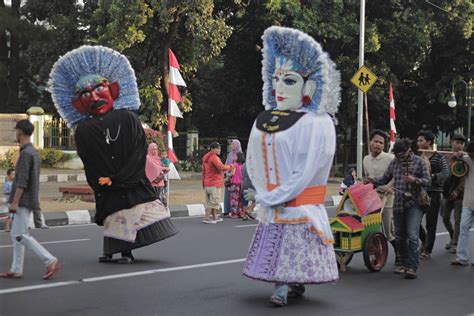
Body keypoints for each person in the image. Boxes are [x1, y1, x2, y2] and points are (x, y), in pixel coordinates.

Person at [49, 45, 178, 264]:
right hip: (106, 185)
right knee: (113, 217)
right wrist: (102, 180)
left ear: (113, 90)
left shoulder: (127, 118)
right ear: (79, 103)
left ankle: (126, 252)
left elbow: (139, 149)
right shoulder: (84, 130)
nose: (93, 97)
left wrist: (121, 177)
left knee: (130, 215)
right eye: (85, 94)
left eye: (99, 88)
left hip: (130, 181)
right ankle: (109, 252)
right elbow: (88, 159)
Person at [242, 26, 340, 306]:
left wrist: (272, 196)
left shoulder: (317, 123)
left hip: (298, 202)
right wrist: (259, 189)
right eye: (276, 80)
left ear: (309, 87)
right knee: (283, 248)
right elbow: (254, 159)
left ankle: (283, 289)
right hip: (276, 201)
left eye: (289, 81)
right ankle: (290, 285)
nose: (278, 89)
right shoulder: (266, 118)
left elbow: (306, 170)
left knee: (291, 248)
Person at [0, 120, 61, 279]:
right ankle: (16, 268)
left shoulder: (26, 153)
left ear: (20, 132)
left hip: (22, 200)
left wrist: (14, 201)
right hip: (27, 199)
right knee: (17, 234)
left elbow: (22, 181)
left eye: (16, 131)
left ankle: (49, 260)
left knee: (20, 235)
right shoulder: (31, 151)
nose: (16, 134)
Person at [367, 138, 431, 279]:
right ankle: (403, 264)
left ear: (408, 150)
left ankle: (412, 267)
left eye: (401, 154)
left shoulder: (420, 162)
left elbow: (428, 181)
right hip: (399, 203)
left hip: (415, 202)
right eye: (397, 155)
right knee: (400, 236)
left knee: (412, 235)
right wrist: (372, 180)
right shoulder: (394, 163)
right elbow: (384, 179)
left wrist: (415, 180)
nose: (399, 157)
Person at [363, 129, 398, 265]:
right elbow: (367, 177)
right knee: (369, 227)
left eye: (381, 143)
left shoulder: (390, 158)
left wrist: (390, 187)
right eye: (376, 141)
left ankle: (399, 253)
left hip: (388, 198)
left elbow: (396, 176)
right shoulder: (366, 159)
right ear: (370, 142)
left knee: (388, 231)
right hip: (371, 198)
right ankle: (374, 251)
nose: (378, 145)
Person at [416, 130, 449, 259]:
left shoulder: (439, 157)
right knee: (415, 221)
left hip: (433, 193)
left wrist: (433, 176)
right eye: (418, 140)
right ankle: (424, 241)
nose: (418, 142)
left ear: (429, 142)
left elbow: (445, 173)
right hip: (420, 192)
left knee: (431, 223)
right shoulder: (417, 157)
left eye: (421, 140)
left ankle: (427, 250)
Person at [441, 134, 466, 253]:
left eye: (462, 143)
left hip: (460, 195)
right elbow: (446, 173)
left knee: (458, 220)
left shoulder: (466, 158)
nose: (459, 145)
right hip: (446, 193)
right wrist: (453, 159)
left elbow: (466, 178)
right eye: (457, 142)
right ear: (452, 143)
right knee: (445, 218)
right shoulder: (446, 157)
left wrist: (458, 190)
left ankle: (456, 242)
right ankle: (452, 236)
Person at [450, 141, 474, 266]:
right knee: (463, 227)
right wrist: (457, 155)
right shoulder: (466, 159)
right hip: (468, 201)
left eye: (472, 155)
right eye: (469, 154)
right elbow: (454, 162)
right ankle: (462, 258)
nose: (471, 157)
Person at [202, 142, 234, 224]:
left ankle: (215, 216)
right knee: (214, 201)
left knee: (211, 201)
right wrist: (231, 166)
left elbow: (204, 171)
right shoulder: (214, 157)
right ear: (213, 149)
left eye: (220, 148)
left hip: (207, 182)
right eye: (218, 148)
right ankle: (206, 217)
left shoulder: (206, 156)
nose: (219, 150)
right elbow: (221, 167)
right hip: (214, 183)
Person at [223, 139, 242, 216]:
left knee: (236, 196)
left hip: (236, 178)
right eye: (231, 144)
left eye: (233, 144)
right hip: (229, 177)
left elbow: (240, 166)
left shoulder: (240, 154)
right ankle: (227, 210)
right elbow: (227, 164)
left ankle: (235, 211)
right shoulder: (230, 154)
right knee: (228, 194)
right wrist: (226, 173)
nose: (231, 146)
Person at [229, 152, 245, 219]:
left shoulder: (234, 165)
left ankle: (234, 214)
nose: (234, 157)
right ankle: (241, 213)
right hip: (242, 184)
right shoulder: (243, 165)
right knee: (241, 200)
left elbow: (232, 174)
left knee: (234, 200)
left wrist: (227, 175)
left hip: (235, 184)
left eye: (235, 156)